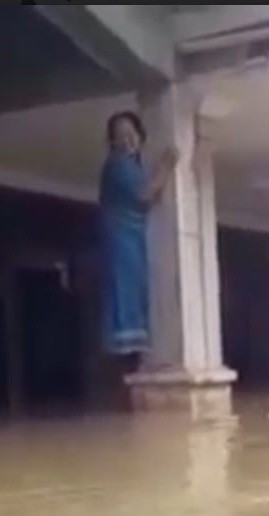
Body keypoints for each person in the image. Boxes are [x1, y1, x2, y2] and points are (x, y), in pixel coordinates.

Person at [98, 111, 179, 367]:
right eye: (120, 135)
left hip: (131, 238)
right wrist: (167, 166)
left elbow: (148, 198)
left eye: (131, 134)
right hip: (122, 240)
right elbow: (145, 194)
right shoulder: (118, 164)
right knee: (127, 297)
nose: (126, 140)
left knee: (135, 296)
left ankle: (134, 358)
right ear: (112, 141)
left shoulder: (133, 166)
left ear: (140, 136)